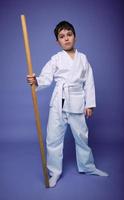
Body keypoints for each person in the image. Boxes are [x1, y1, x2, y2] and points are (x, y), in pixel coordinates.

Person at [27, 21, 108, 188]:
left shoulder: (83, 58)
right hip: (58, 103)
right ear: (58, 42)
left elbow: (89, 82)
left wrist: (89, 104)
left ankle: (87, 166)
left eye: (69, 35)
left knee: (82, 136)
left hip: (77, 102)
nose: (66, 39)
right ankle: (54, 172)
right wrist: (35, 80)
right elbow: (46, 77)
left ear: (75, 37)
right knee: (53, 138)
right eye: (62, 36)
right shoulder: (55, 59)